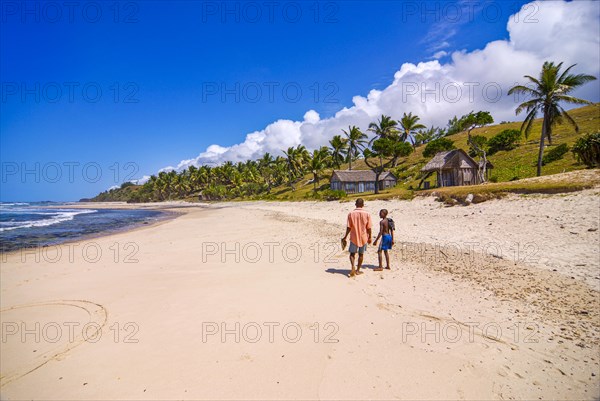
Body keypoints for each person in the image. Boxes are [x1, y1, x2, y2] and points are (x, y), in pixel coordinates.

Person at [342, 198, 372, 278]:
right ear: (363, 205)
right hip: (363, 237)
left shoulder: (351, 214)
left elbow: (349, 227)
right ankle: (358, 270)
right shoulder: (367, 214)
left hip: (354, 237)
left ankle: (352, 267)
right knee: (361, 254)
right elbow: (369, 228)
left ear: (355, 204)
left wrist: (345, 236)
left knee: (352, 254)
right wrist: (370, 237)